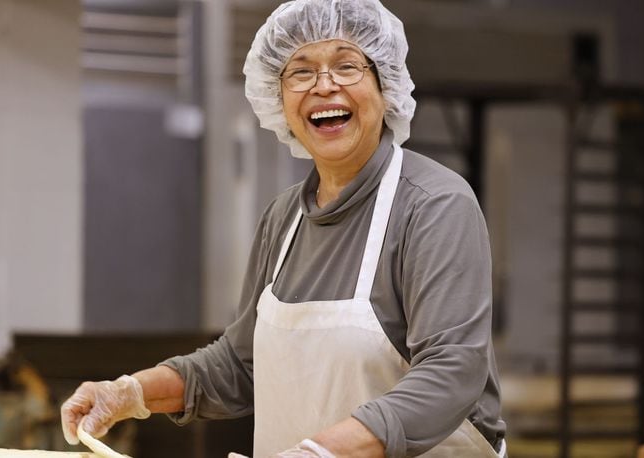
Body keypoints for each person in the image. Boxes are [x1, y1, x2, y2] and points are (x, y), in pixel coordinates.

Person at [60, 0, 507, 456]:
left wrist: (320, 453)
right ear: (277, 97)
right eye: (301, 71)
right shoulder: (284, 218)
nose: (325, 86)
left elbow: (451, 372)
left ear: (384, 85)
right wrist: (128, 393)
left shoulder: (434, 205)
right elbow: (239, 365)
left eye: (347, 65)